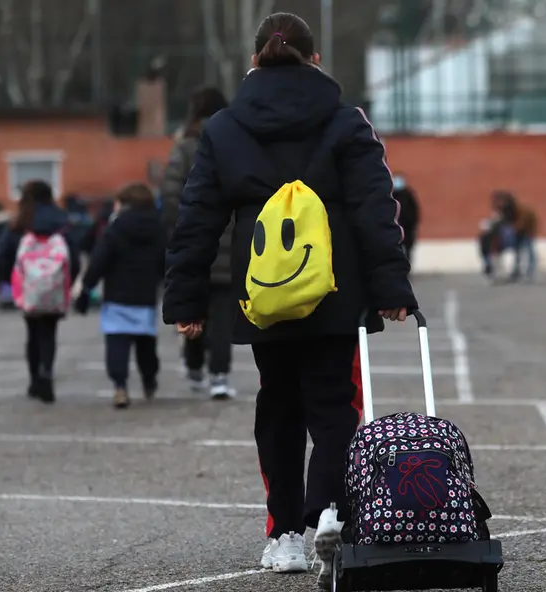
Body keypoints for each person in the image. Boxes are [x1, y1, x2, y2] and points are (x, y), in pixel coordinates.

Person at [162, 11, 417, 586]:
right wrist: (390, 288)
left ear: (254, 61)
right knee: (334, 405)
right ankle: (330, 508)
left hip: (264, 288)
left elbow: (197, 217)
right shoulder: (346, 121)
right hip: (335, 288)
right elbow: (375, 208)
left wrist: (187, 300)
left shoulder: (225, 128)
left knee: (277, 406)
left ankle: (284, 537)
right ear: (315, 60)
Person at [161, 86, 236, 398]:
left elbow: (169, 193)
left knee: (193, 307)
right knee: (222, 317)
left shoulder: (186, 145)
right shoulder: (235, 143)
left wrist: (177, 232)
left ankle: (194, 367)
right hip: (231, 244)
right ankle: (219, 375)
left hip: (194, 240)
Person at [74, 183, 165, 409]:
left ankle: (120, 386)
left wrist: (86, 288)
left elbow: (99, 260)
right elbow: (166, 261)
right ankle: (149, 379)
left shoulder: (115, 228)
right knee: (146, 343)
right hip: (145, 295)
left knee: (117, 342)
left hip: (117, 295)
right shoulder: (159, 228)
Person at [0, 180, 81, 403]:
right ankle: (47, 374)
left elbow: (2, 255)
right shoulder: (62, 220)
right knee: (49, 333)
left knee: (32, 333)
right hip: (55, 287)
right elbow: (74, 256)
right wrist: (66, 284)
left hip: (28, 287)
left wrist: (10, 282)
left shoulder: (21, 221)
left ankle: (34, 380)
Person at [493, 190, 538, 282]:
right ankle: (516, 272)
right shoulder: (505, 211)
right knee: (517, 252)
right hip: (518, 232)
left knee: (529, 252)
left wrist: (514, 229)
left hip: (527, 231)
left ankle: (530, 273)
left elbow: (523, 222)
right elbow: (503, 222)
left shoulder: (520, 210)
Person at [392, 174, 420, 264]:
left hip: (407, 228)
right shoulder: (390, 195)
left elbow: (415, 211)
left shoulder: (408, 195)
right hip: (394, 228)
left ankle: (406, 267)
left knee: (408, 249)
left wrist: (412, 223)